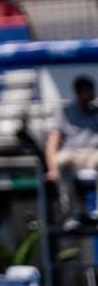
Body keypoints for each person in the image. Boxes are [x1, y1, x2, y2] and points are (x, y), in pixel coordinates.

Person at [45, 75, 98, 231]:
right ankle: (71, 213)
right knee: (61, 160)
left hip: (93, 152)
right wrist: (52, 169)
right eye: (87, 91)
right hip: (72, 153)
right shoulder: (65, 112)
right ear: (78, 92)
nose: (90, 95)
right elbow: (53, 142)